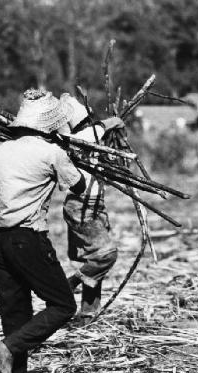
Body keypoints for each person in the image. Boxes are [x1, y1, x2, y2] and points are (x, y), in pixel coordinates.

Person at [0, 88, 86, 373]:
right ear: (50, 124)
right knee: (64, 306)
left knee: (15, 314)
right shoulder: (51, 152)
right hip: (26, 238)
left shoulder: (0, 150)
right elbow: (78, 186)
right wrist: (70, 155)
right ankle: (7, 347)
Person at [58, 93, 124, 319]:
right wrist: (109, 123)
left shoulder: (93, 143)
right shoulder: (72, 141)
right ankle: (69, 284)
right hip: (81, 207)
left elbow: (117, 162)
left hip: (94, 207)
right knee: (105, 255)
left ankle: (87, 314)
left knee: (94, 260)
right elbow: (90, 133)